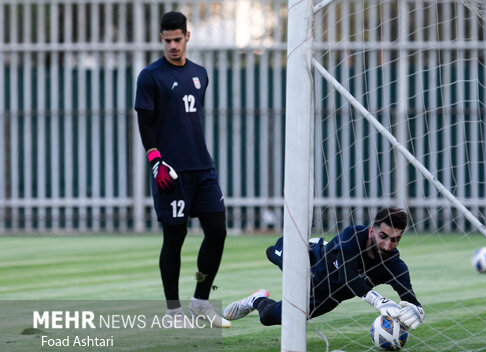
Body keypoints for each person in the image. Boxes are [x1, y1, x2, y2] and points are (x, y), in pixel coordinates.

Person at [134, 11, 229, 328]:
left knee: (217, 231)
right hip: (171, 172)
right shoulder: (150, 76)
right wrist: (155, 160)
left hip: (203, 168)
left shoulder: (201, 74)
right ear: (161, 39)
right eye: (167, 40)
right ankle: (173, 311)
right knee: (174, 238)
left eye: (178, 39)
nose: (173, 45)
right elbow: (145, 125)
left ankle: (201, 302)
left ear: (187, 36)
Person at [222, 208, 424, 330]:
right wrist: (379, 301)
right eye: (383, 236)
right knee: (274, 252)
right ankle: (305, 245)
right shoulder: (353, 235)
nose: (388, 245)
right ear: (372, 230)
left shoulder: (395, 267)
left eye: (395, 239)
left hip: (325, 297)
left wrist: (415, 312)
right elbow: (347, 275)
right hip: (308, 260)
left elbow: (412, 300)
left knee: (268, 318)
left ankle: (255, 299)